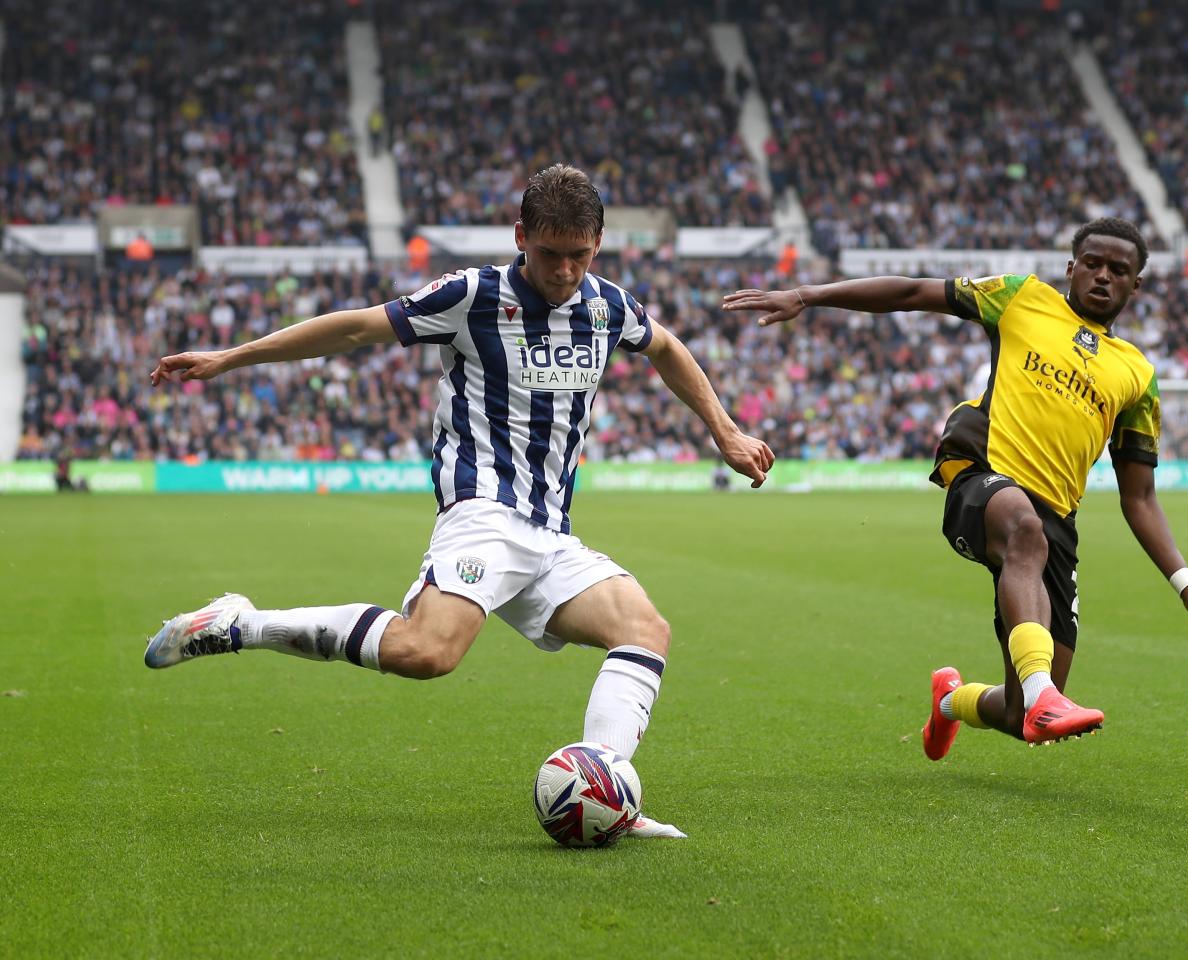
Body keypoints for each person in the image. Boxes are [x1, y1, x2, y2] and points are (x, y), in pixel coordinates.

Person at [147, 164, 775, 837]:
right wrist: (228, 358)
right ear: (520, 238)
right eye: (550, 254)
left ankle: (605, 787)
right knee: (427, 653)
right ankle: (240, 623)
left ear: (598, 245)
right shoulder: (473, 295)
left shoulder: (606, 305)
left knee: (645, 630)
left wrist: (726, 430)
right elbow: (356, 329)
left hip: (551, 533)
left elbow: (667, 347)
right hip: (483, 514)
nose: (565, 271)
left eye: (580, 255)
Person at [724, 217, 1188, 756]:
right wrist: (806, 295)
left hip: (1055, 519)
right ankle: (1042, 689)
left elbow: (1138, 496)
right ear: (1071, 268)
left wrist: (1187, 587)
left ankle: (954, 700)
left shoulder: (1137, 375)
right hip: (979, 470)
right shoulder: (1021, 297)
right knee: (1025, 533)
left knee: (1021, 715)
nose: (1101, 276)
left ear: (1135, 284)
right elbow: (912, 292)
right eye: (1091, 263)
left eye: (1118, 270)